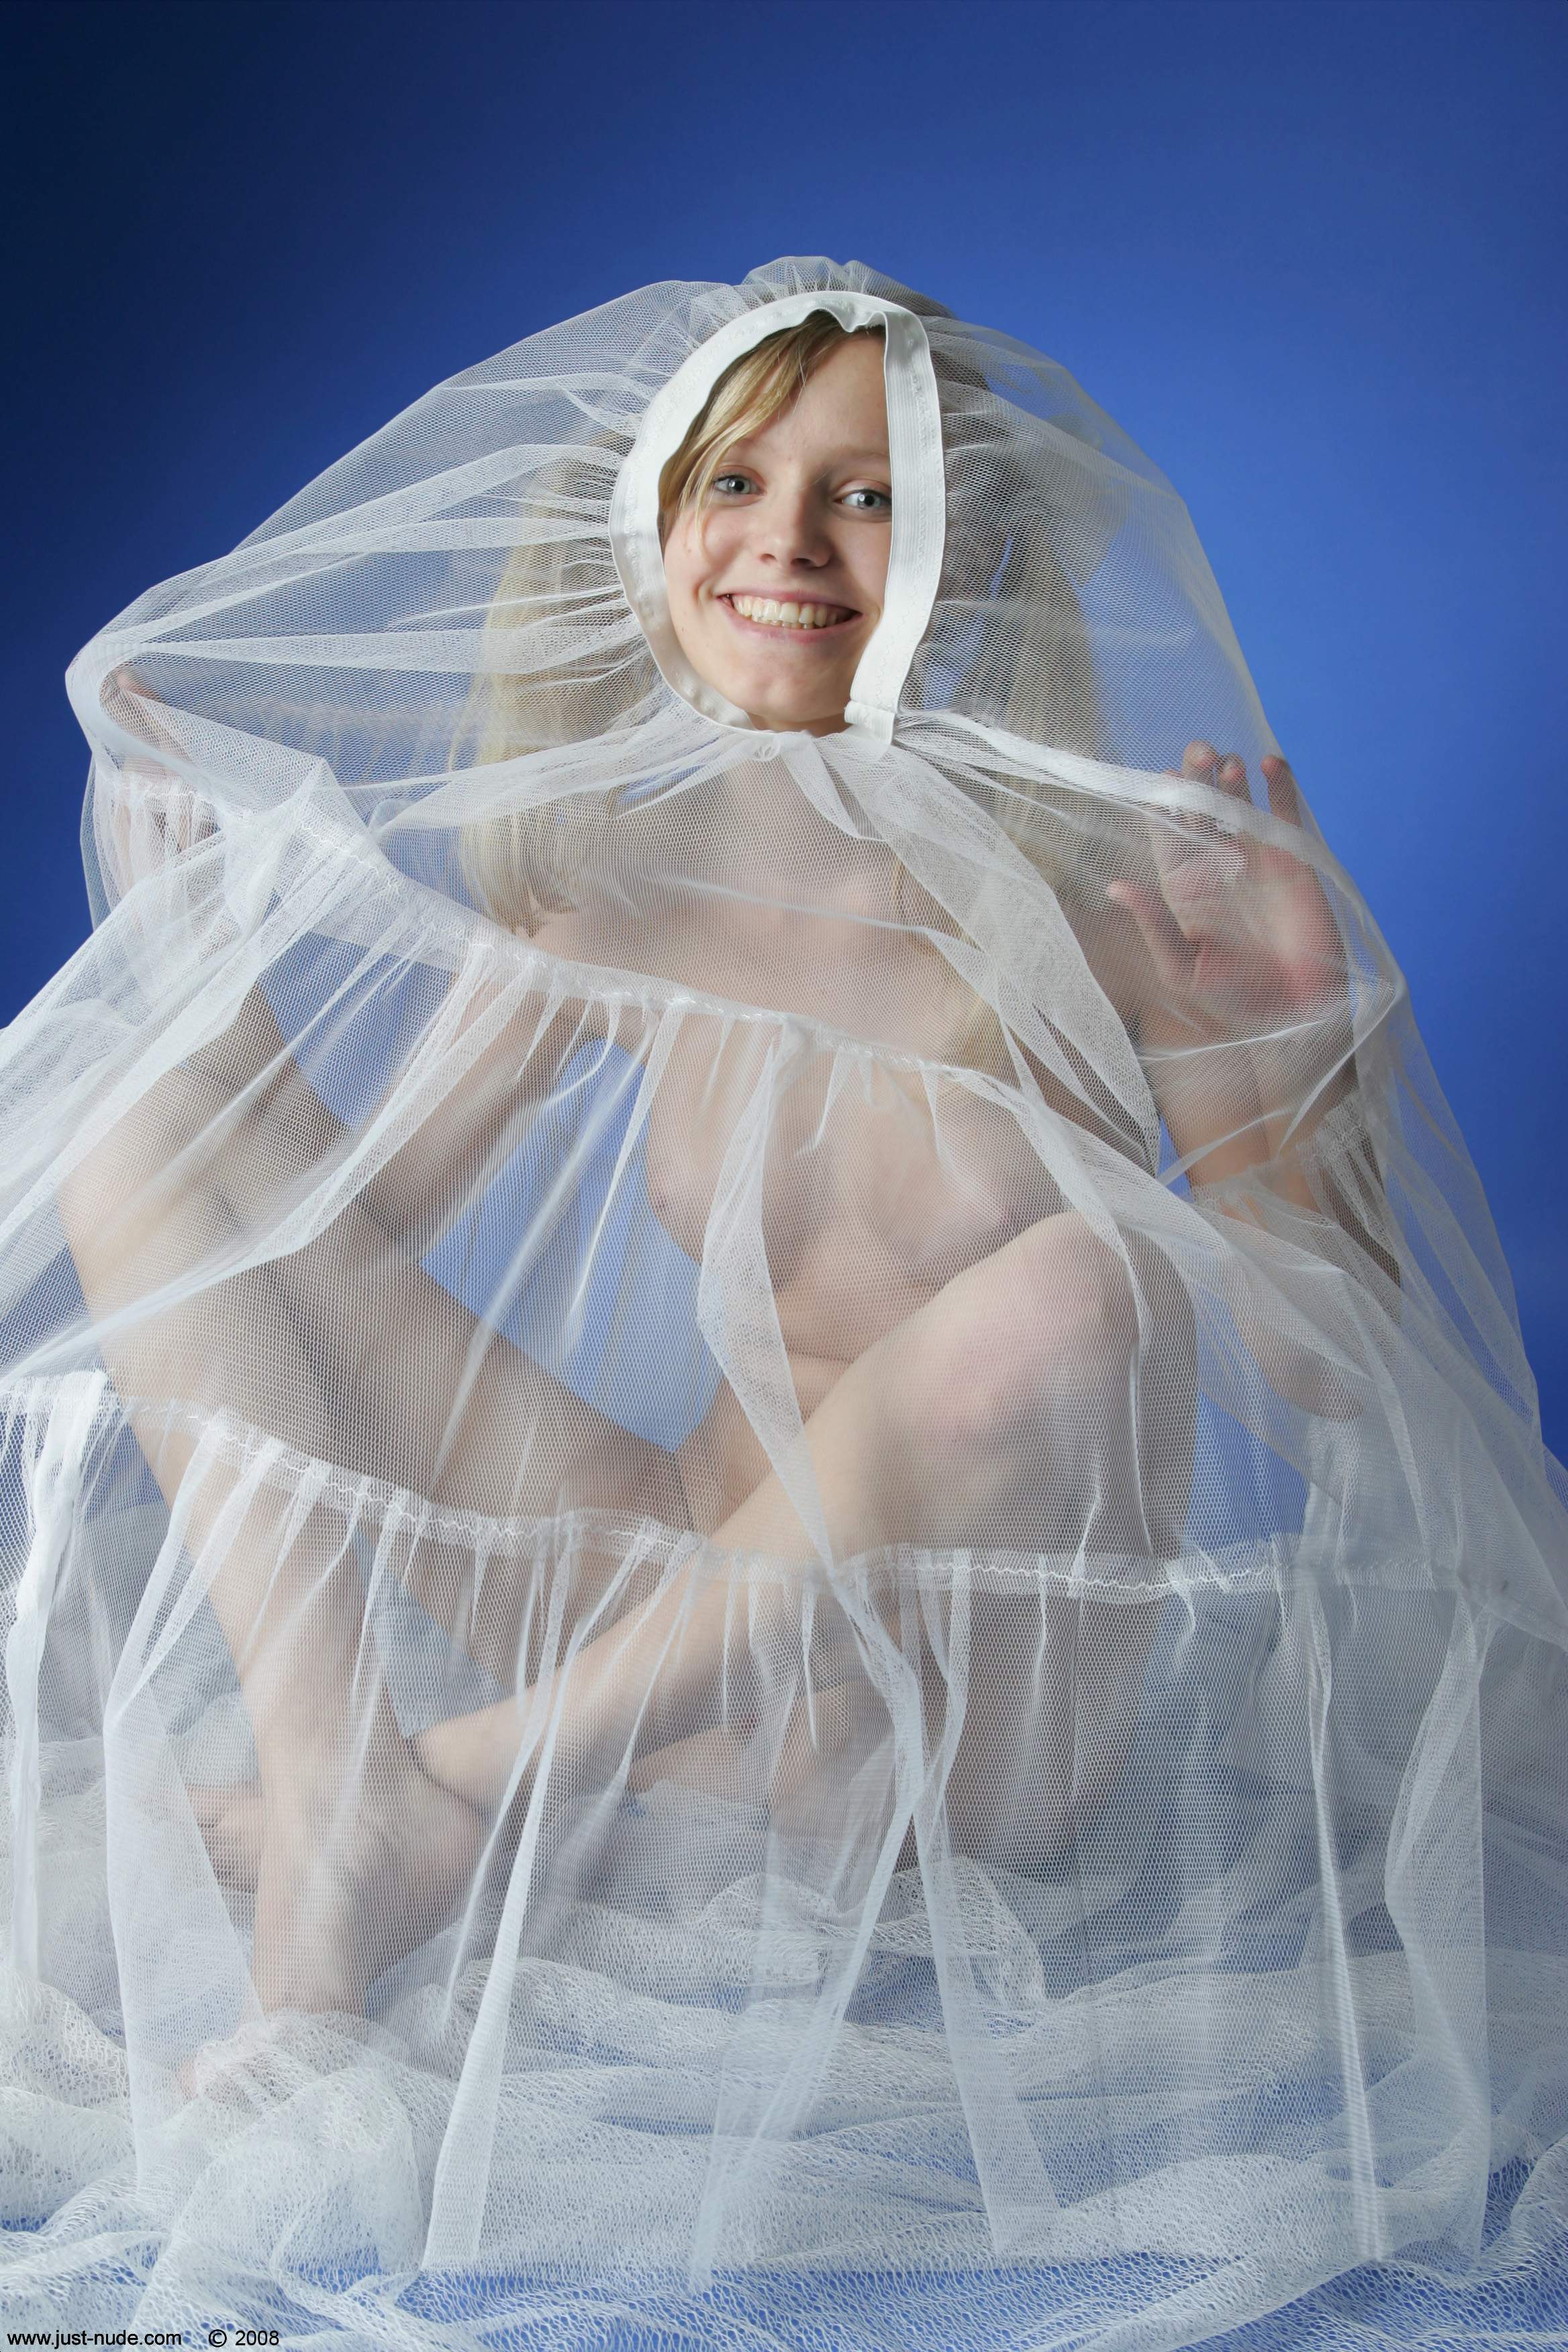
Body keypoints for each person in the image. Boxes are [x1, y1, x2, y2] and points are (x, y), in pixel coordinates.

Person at [3, 258, 1564, 2349]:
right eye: (734, 481)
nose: (789, 541)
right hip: (678, 1631)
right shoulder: (602, 886)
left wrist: (1294, 1064)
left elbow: (1312, 1358)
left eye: (867, 492)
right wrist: (201, 967)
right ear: (650, 530)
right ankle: (345, 1781)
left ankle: (466, 1776)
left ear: (966, 556)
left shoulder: (1099, 894)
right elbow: (316, 1259)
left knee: (1092, 1283)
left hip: (955, 1729)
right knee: (142, 1138)